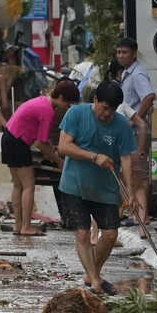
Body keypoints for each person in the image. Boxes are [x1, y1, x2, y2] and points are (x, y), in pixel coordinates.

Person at [57, 81, 139, 297]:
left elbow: (126, 160)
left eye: (112, 109)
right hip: (75, 185)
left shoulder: (121, 126)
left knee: (111, 234)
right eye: (104, 108)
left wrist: (130, 192)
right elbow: (64, 147)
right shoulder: (76, 114)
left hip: (105, 189)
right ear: (94, 100)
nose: (107, 113)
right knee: (82, 233)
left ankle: (92, 273)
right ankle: (95, 280)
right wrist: (93, 156)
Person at [3, 79, 81, 236]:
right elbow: (40, 144)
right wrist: (59, 161)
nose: (67, 107)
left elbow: (43, 139)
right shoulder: (48, 111)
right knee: (28, 185)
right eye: (68, 103)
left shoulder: (41, 100)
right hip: (18, 141)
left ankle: (18, 225)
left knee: (18, 185)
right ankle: (26, 226)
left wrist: (51, 146)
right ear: (61, 98)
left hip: (8, 137)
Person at [116, 37, 155, 225]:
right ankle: (135, 214)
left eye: (124, 52)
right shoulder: (127, 73)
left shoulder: (138, 74)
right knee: (130, 174)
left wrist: (134, 119)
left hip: (137, 132)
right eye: (118, 52)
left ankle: (142, 216)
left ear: (133, 53)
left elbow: (148, 96)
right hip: (129, 131)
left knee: (140, 175)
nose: (120, 56)